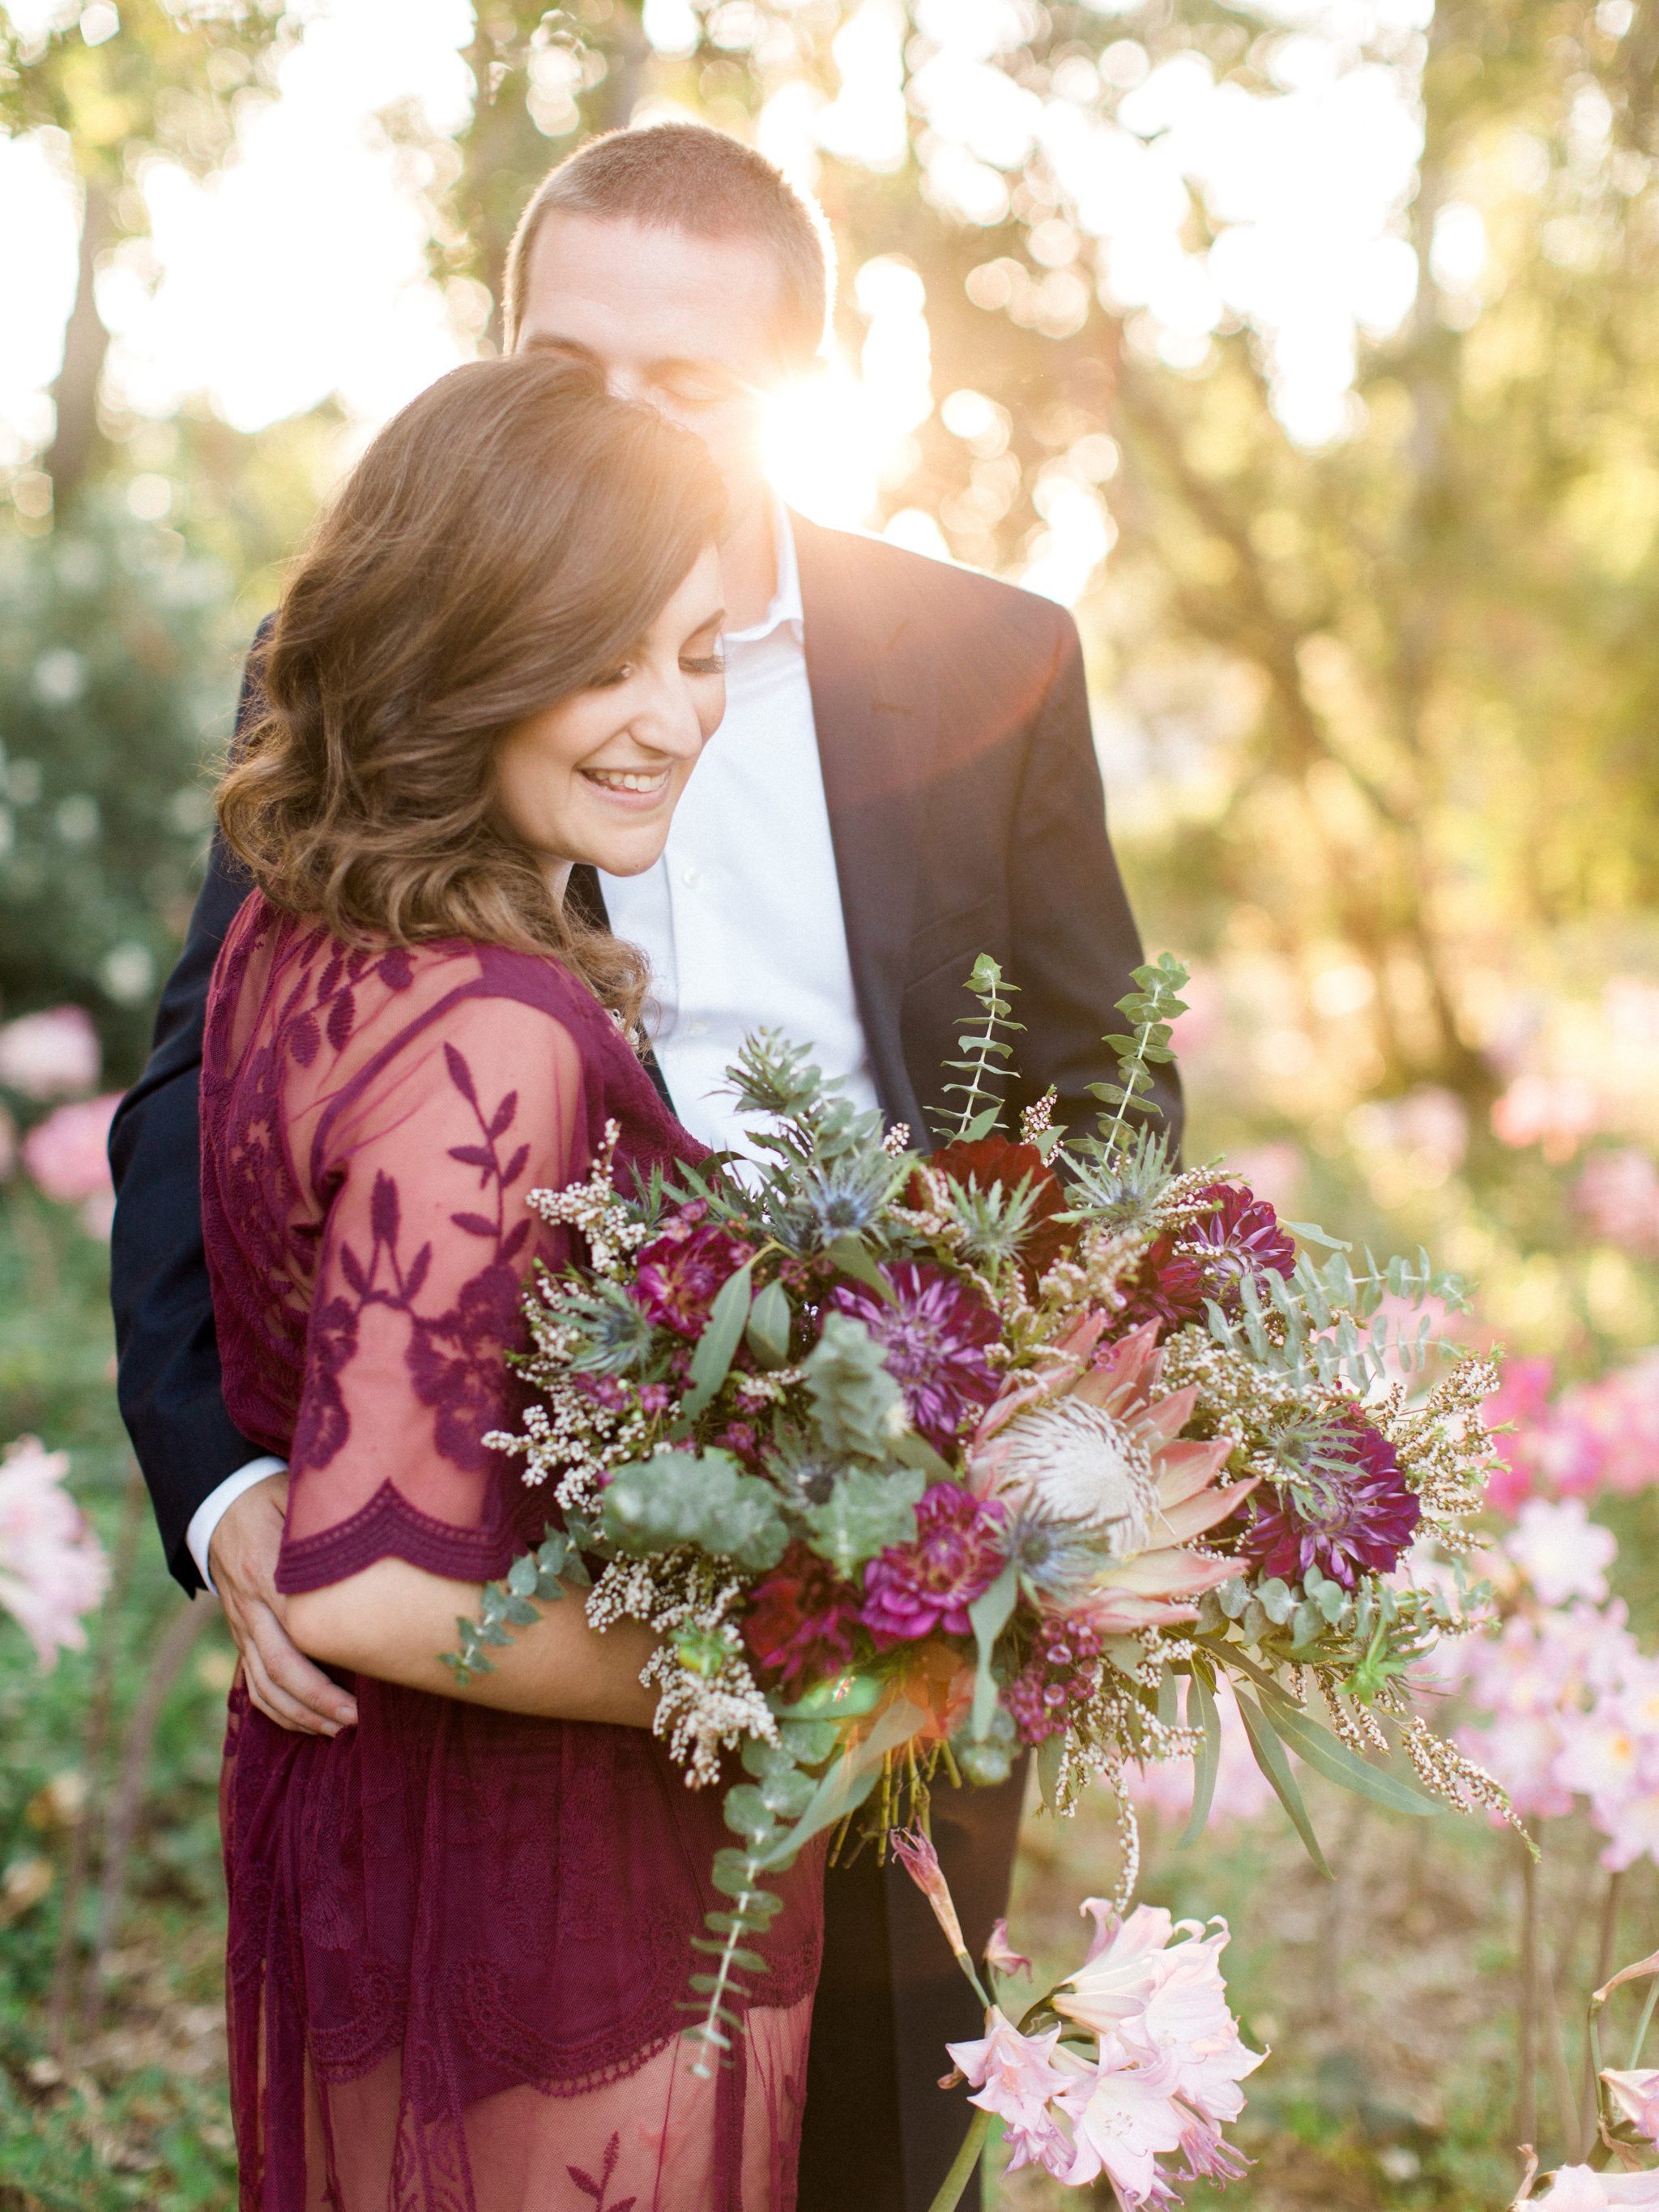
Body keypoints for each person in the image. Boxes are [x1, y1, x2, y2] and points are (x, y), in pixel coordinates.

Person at [109, 122, 1180, 2212]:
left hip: (854, 1517)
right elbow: (198, 1090)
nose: (596, 428)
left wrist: (984, 1464)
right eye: (559, 360)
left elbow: (1095, 1087)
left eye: (674, 387)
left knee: (857, 2125)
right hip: (467, 1579)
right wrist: (233, 1491)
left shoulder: (988, 659)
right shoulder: (370, 654)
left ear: (789, 388)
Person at [194, 348, 826, 2209]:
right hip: (544, 1867)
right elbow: (377, 1583)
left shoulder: (297, 938)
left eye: (698, 649)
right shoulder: (495, 1028)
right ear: (457, 647)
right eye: (598, 656)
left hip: (373, 1834)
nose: (666, 717)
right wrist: (770, 1674)